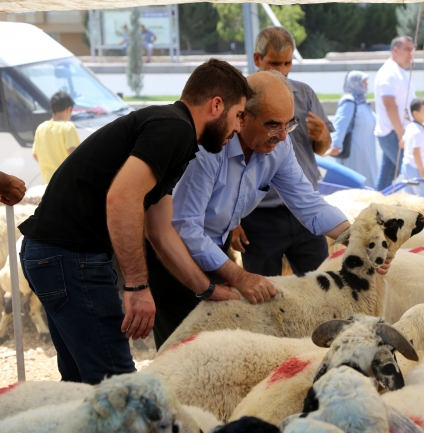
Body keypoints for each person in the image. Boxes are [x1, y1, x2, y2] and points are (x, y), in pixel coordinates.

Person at [18, 59, 254, 384]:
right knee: (119, 388)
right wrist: (138, 286)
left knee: (83, 388)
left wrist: (206, 288)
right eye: (239, 115)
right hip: (70, 257)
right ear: (216, 105)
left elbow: (159, 230)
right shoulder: (175, 129)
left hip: (51, 254)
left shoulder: (172, 129)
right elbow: (122, 198)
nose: (239, 128)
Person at [149, 71, 364, 348]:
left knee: (215, 345)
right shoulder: (209, 148)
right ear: (242, 117)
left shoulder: (280, 146)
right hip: (172, 255)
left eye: (289, 124)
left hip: (215, 247)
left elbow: (307, 202)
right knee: (180, 349)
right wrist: (238, 276)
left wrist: (357, 238)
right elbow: (184, 227)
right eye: (273, 125)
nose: (282, 136)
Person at [232, 27, 334, 277]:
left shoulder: (305, 94)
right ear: (257, 59)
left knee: (322, 286)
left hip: (303, 209)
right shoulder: (239, 100)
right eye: (274, 63)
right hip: (259, 216)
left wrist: (322, 136)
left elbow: (323, 149)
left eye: (287, 63)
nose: (282, 71)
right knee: (263, 294)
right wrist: (232, 221)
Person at [374, 36, 416, 192]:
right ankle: (418, 208)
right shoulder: (389, 72)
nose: (411, 53)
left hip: (397, 132)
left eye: (413, 49)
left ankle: (375, 207)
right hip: (393, 132)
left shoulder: (399, 71)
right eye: (407, 49)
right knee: (411, 171)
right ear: (395, 50)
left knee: (389, 175)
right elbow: (389, 104)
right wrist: (401, 134)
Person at [325, 71, 377, 188]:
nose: (366, 85)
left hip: (368, 151)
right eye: (363, 82)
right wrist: (336, 145)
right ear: (354, 83)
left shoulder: (363, 102)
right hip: (355, 151)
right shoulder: (348, 101)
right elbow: (340, 124)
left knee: (368, 180)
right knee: (357, 182)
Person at [32, 91, 80, 184]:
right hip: (66, 182)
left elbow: (35, 155)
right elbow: (74, 155)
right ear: (68, 109)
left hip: (47, 183)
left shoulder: (41, 128)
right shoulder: (68, 127)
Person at [401, 99, 424, 201]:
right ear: (416, 113)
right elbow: (416, 152)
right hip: (416, 168)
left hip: (406, 165)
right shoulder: (419, 132)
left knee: (409, 196)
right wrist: (422, 172)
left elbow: (402, 143)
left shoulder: (410, 127)